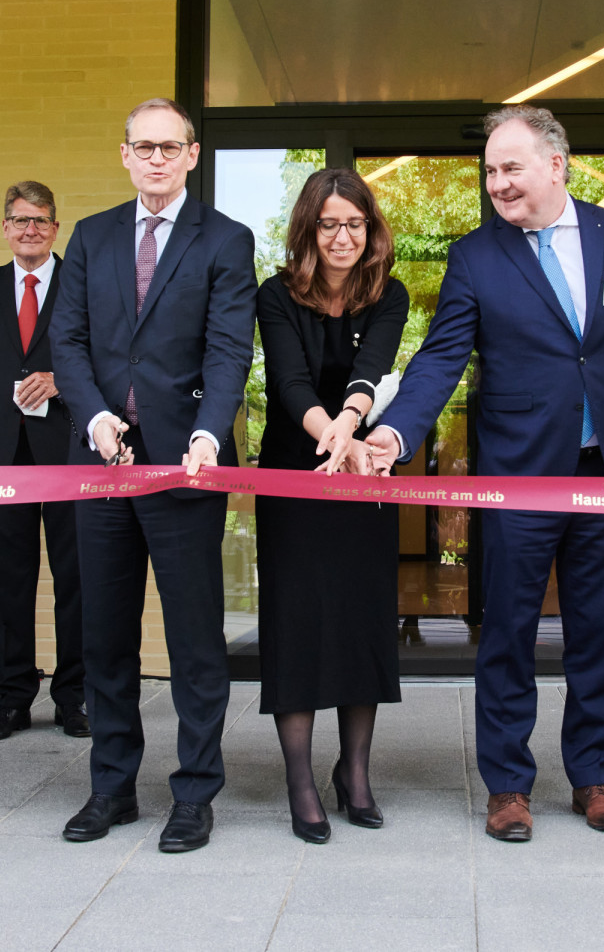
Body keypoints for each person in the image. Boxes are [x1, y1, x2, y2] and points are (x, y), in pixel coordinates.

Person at [367, 105, 604, 841]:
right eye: (490, 171)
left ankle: (593, 777)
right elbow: (442, 356)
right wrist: (396, 430)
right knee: (508, 630)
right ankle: (508, 785)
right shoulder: (476, 256)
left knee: (599, 630)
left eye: (511, 167)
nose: (498, 182)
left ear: (556, 165)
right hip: (518, 477)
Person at [50, 98, 256, 853]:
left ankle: (195, 793)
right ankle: (111, 788)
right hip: (99, 462)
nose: (158, 159)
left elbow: (231, 349)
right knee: (104, 634)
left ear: (193, 155)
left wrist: (208, 431)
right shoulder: (92, 235)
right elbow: (66, 340)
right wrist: (96, 415)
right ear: (126, 155)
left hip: (185, 463)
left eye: (171, 147)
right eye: (145, 147)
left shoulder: (226, 240)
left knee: (194, 638)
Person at [255, 168, 408, 843]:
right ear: (308, 230)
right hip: (293, 477)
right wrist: (331, 437)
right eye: (329, 223)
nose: (343, 236)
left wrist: (350, 424)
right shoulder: (275, 295)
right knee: (298, 624)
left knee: (358, 619)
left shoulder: (389, 294)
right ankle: (299, 779)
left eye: (355, 223)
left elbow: (370, 369)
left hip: (361, 482)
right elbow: (287, 381)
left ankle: (355, 771)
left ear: (370, 230)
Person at [0, 181, 86, 743]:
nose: (30, 230)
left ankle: (75, 695)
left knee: (75, 579)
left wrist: (62, 382)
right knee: (11, 580)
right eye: (20, 220)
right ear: (5, 227)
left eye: (41, 221)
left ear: (56, 228)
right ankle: (13, 696)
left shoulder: (80, 286)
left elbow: (103, 363)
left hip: (68, 453)